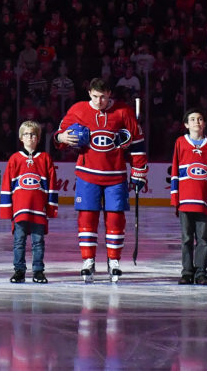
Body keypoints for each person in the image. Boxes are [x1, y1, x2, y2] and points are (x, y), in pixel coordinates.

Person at [55, 77, 147, 282]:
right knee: (87, 218)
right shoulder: (78, 109)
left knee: (115, 218)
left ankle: (113, 260)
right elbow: (60, 134)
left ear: (110, 95)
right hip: (87, 175)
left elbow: (138, 144)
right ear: (89, 93)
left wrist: (139, 171)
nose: (99, 101)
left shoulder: (123, 111)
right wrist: (61, 138)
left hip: (115, 176)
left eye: (103, 97)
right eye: (95, 96)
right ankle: (88, 260)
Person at [0, 120, 58, 284]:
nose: (30, 137)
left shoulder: (45, 158)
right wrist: (6, 209)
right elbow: (7, 185)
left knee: (38, 242)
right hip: (20, 209)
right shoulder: (15, 159)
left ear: (38, 138)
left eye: (33, 134)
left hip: (39, 209)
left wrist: (51, 207)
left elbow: (51, 184)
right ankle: (19, 271)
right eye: (26, 134)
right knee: (19, 241)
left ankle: (38, 271)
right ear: (21, 138)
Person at [169, 109, 207, 285]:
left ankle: (201, 273)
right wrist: (175, 197)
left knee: (203, 239)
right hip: (185, 200)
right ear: (186, 124)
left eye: (200, 119)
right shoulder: (180, 143)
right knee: (186, 239)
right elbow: (175, 171)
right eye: (192, 119)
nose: (196, 122)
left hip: (204, 200)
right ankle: (187, 272)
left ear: (205, 123)